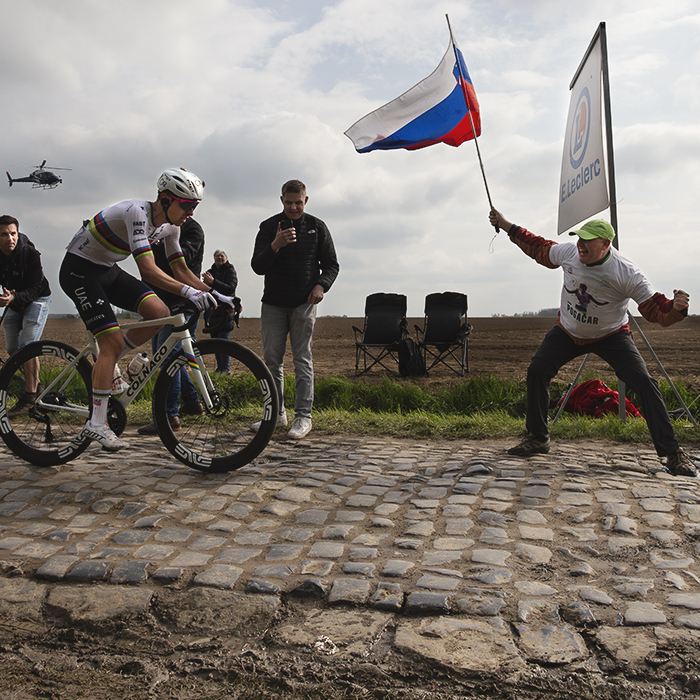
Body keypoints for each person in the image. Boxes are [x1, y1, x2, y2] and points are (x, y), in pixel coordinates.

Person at [489, 208, 696, 477]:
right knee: (537, 369)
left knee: (645, 383)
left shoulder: (627, 273)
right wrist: (506, 225)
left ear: (605, 245)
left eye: (587, 240)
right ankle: (538, 438)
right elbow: (538, 247)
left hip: (611, 336)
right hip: (567, 331)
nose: (580, 245)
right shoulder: (569, 253)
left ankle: (671, 454)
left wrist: (677, 309)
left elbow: (655, 309)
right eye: (579, 238)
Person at [60, 168, 223, 452]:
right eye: (186, 205)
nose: (191, 213)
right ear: (164, 199)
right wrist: (189, 292)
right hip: (78, 270)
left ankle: (108, 362)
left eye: (195, 206)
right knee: (110, 341)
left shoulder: (172, 227)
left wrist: (214, 293)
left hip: (106, 269)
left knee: (159, 312)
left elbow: (180, 269)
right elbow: (148, 271)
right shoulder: (137, 212)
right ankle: (96, 423)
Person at [251, 179, 339, 440]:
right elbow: (258, 266)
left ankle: (303, 417)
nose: (293, 207)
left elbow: (332, 265)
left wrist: (322, 286)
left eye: (298, 203)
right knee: (272, 362)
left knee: (302, 360)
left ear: (306, 200)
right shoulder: (268, 227)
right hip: (273, 305)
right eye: (288, 203)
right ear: (281, 200)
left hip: (304, 304)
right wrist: (276, 244)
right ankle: (276, 415)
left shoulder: (317, 227)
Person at [137, 216, 207, 435]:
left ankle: (168, 416)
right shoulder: (159, 228)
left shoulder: (193, 229)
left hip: (182, 303)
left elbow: (179, 261)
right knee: (166, 355)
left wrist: (159, 242)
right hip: (160, 301)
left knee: (168, 358)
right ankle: (192, 402)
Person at [0, 215, 52, 412]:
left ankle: (29, 396)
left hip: (37, 297)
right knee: (13, 350)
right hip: (14, 300)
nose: (10, 238)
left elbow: (35, 287)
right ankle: (38, 388)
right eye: (4, 234)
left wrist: (13, 299)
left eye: (13, 233)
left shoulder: (29, 253)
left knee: (27, 345)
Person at [202, 249, 238, 373]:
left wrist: (213, 282)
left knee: (224, 343)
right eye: (217, 256)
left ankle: (225, 370)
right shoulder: (210, 272)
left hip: (225, 313)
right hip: (213, 314)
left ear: (226, 258)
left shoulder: (230, 271)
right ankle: (219, 369)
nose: (219, 258)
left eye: (222, 256)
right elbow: (205, 289)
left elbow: (230, 288)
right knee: (215, 344)